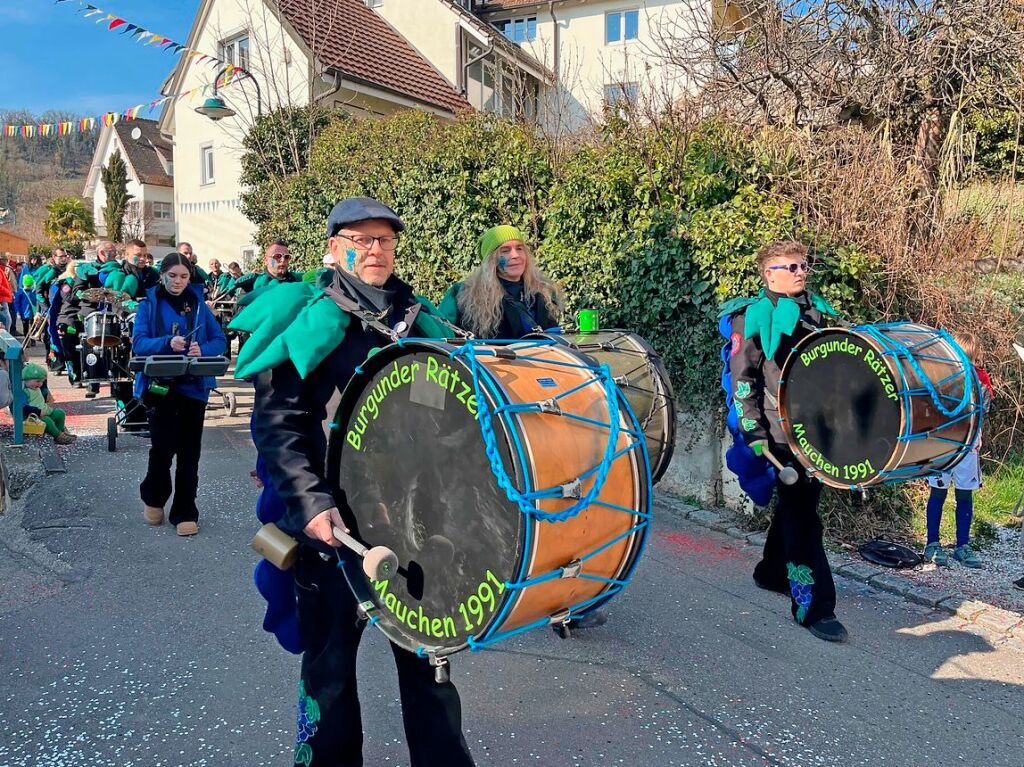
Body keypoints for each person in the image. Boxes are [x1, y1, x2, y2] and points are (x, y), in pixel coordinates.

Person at [231, 197, 474, 767]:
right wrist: (312, 505)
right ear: (334, 247)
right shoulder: (304, 319)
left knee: (430, 668)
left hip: (414, 529)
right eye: (361, 240)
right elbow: (278, 426)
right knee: (330, 669)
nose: (375, 250)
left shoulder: (419, 321)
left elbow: (440, 418)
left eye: (384, 240)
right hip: (333, 529)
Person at [722, 240, 849, 643]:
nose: (799, 272)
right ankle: (813, 606)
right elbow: (744, 381)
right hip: (781, 435)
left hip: (820, 430)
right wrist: (754, 433)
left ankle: (770, 571)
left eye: (801, 265)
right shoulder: (752, 318)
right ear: (768, 274)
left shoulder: (817, 312)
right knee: (803, 518)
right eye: (788, 267)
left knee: (801, 505)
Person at [132, 253, 226, 536]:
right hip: (160, 385)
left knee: (190, 454)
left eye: (184, 276)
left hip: (193, 386)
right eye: (173, 276)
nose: (178, 282)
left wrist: (202, 349)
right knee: (162, 449)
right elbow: (139, 343)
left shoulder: (198, 304)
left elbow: (219, 340)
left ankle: (185, 511)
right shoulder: (149, 304)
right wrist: (166, 343)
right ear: (162, 275)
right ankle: (154, 497)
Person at [923, 333, 994, 568]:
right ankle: (932, 543)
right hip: (943, 445)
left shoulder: (981, 379)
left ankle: (962, 545)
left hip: (968, 446)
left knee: (965, 494)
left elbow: (983, 411)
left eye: (969, 358)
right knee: (938, 493)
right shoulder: (941, 375)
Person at [439, 225, 562, 338]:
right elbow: (442, 337)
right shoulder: (462, 295)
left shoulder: (543, 292)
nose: (515, 255)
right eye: (505, 251)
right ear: (491, 260)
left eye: (519, 248)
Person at [21, 363, 77, 445]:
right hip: (31, 418)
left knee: (59, 413)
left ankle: (60, 432)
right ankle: (58, 436)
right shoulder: (24, 392)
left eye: (42, 382)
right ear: (26, 380)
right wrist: (38, 412)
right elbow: (23, 408)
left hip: (43, 413)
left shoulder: (36, 389)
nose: (40, 384)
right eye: (37, 381)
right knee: (47, 420)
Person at [229, 240, 303, 296]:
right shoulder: (251, 284)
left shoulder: (298, 280)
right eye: (277, 256)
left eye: (286, 257)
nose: (283, 260)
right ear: (266, 261)